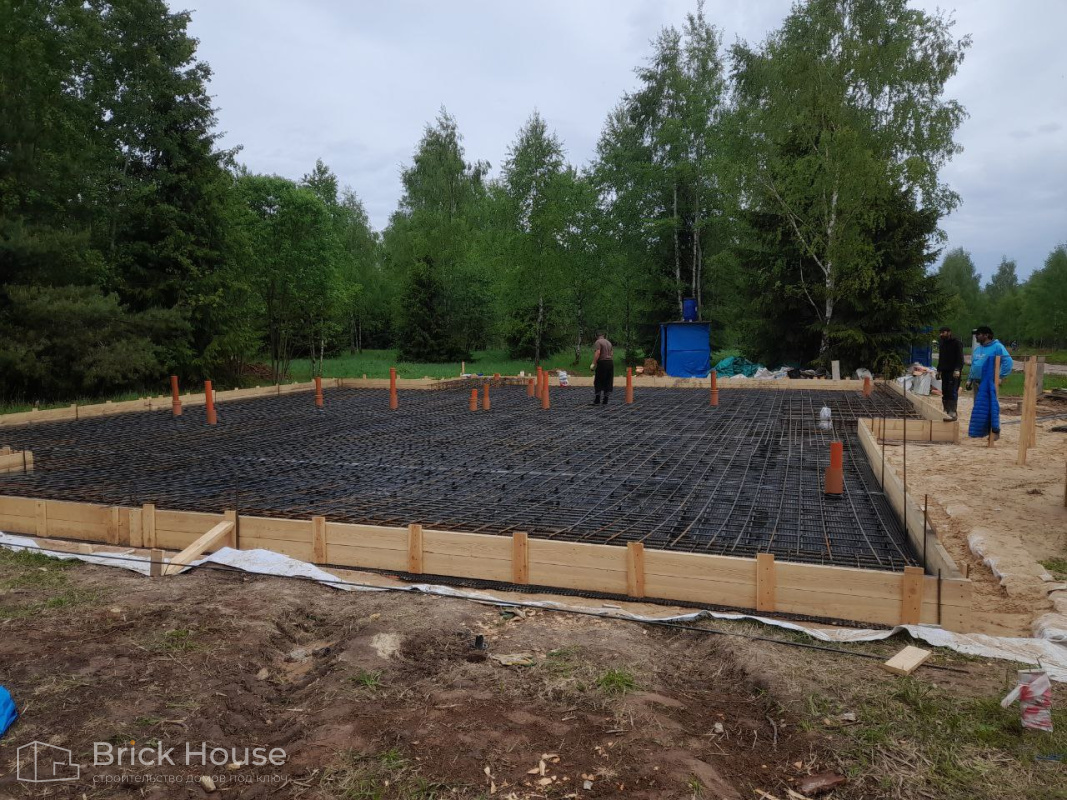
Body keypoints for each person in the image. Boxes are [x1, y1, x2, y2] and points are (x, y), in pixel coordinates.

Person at [966, 325, 1013, 394]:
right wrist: (969, 379)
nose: (976, 336)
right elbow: (974, 365)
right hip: (976, 382)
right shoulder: (977, 349)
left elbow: (1008, 361)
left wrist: (1000, 377)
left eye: (978, 334)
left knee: (988, 401)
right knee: (978, 401)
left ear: (986, 335)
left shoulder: (997, 347)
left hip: (989, 382)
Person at [935, 326, 963, 421]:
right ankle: (946, 410)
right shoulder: (942, 343)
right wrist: (939, 370)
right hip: (945, 371)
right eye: (940, 332)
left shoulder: (956, 343)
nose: (941, 334)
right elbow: (941, 358)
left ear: (949, 332)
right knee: (945, 391)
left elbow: (960, 357)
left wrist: (958, 369)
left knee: (952, 391)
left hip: (953, 372)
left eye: (943, 332)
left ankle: (952, 412)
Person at [590, 331, 614, 405]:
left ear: (596, 336)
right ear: (603, 336)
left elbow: (598, 352)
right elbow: (612, 353)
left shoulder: (598, 342)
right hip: (610, 362)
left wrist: (593, 363)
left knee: (598, 380)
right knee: (608, 380)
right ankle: (605, 400)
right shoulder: (609, 342)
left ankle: (597, 400)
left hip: (602, 363)